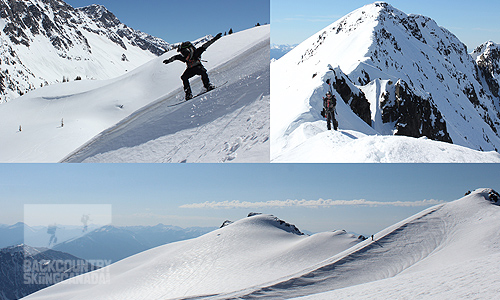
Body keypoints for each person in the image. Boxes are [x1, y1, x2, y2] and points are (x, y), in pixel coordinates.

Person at [163, 33, 223, 100]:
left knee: (202, 72)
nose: (183, 55)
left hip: (197, 67)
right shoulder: (186, 56)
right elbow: (176, 57)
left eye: (183, 52)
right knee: (184, 77)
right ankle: (189, 94)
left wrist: (215, 38)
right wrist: (168, 61)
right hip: (191, 69)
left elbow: (206, 45)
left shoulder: (196, 53)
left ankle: (207, 86)